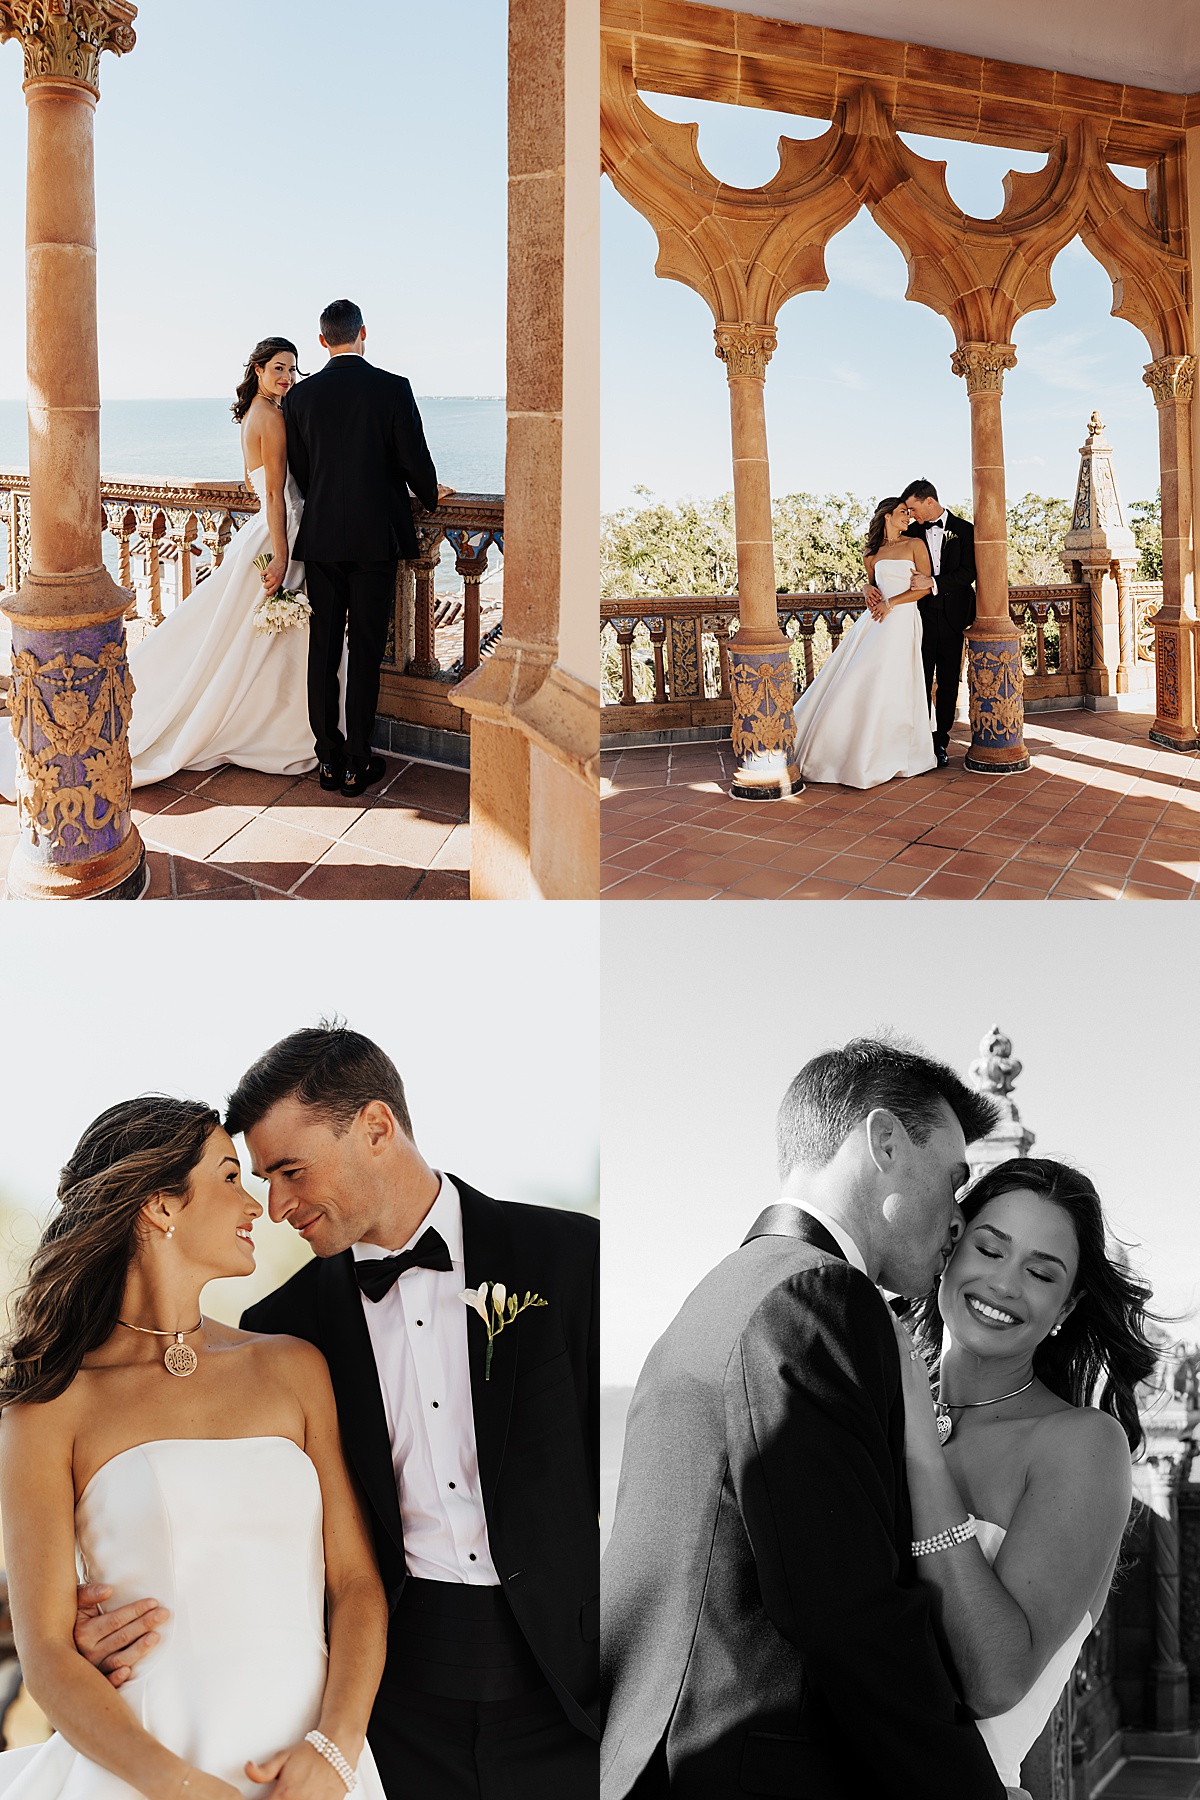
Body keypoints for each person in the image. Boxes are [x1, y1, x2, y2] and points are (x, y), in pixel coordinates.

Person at [76, 1025, 600, 1800]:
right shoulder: (282, 1328)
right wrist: (92, 1625)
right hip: (388, 1700)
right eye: (258, 1177)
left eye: (290, 1170)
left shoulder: (572, 1256)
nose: (276, 1205)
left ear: (377, 1128)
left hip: (574, 1685)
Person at [601, 1036, 1008, 1799]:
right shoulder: (816, 1297)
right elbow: (849, 1614)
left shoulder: (719, 1293)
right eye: (953, 1182)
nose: (958, 1218)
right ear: (884, 1141)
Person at [0, 1096, 390, 1800]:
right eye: (231, 1177)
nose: (259, 1207)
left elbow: (357, 1587)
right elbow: (48, 1653)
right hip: (144, 1768)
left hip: (315, 1769)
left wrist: (335, 1752)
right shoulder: (49, 1408)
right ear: (160, 1206)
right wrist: (175, 1787)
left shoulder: (293, 1368)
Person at [892, 1157, 1156, 1796]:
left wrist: (921, 1453)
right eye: (989, 1248)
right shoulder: (881, 1412)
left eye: (1040, 1272)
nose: (1006, 1284)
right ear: (947, 1251)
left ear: (1066, 1307)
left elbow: (995, 1681)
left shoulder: (1084, 1445)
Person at [285, 300, 452, 798]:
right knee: (365, 651)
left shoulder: (301, 397)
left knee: (323, 647)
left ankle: (328, 759)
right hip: (375, 539)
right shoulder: (392, 388)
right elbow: (414, 460)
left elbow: (303, 470)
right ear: (363, 333)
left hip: (322, 538)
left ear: (322, 341)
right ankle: (359, 759)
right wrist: (430, 491)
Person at [789, 496, 935, 788]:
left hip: (903, 619)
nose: (908, 517)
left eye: (908, 512)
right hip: (877, 622)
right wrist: (868, 587)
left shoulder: (916, 545)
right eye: (902, 513)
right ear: (887, 517)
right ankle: (842, 750)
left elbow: (923, 587)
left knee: (894, 682)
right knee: (860, 677)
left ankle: (889, 753)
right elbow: (872, 584)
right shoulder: (871, 552)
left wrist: (891, 603)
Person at [899, 477, 976, 768]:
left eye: (913, 507)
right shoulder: (911, 533)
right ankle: (917, 738)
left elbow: (969, 572)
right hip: (918, 616)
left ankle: (939, 741)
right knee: (917, 678)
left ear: (929, 501)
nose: (910, 514)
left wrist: (933, 582)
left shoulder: (965, 530)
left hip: (954, 617)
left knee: (947, 683)